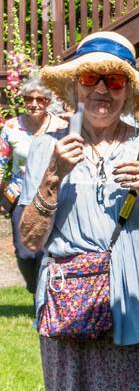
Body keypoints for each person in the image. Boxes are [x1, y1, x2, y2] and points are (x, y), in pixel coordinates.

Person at [17, 31, 139, 391]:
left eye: (114, 81)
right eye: (91, 79)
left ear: (128, 90)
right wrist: (53, 176)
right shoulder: (46, 148)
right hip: (70, 301)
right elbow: (30, 241)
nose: (101, 91)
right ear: (75, 85)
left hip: (136, 297)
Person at [3, 75, 67, 294]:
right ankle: (34, 286)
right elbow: (1, 164)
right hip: (21, 195)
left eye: (41, 99)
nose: (34, 104)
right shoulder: (11, 127)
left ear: (48, 101)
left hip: (53, 194)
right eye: (29, 99)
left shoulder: (60, 127)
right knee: (25, 252)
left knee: (49, 250)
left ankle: (45, 296)